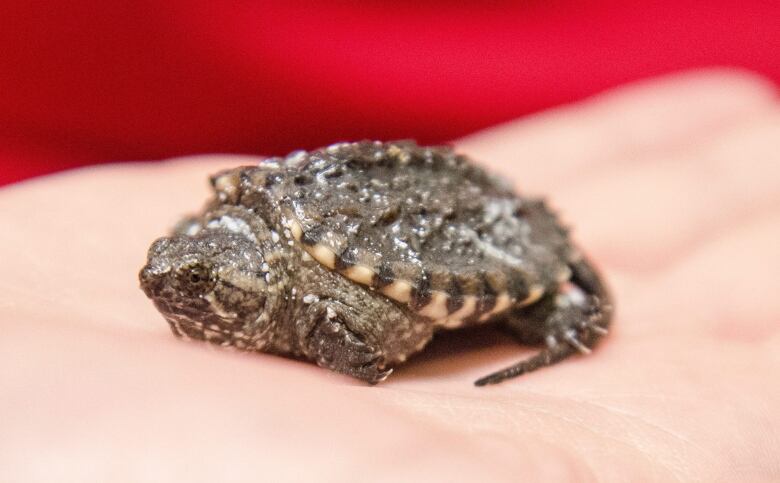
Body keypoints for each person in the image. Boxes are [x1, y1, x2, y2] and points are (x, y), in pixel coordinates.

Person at [1, 69, 778, 481]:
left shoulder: (315, 295)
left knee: (500, 305)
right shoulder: (220, 227)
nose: (161, 280)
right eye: (179, 270)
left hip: (456, 215)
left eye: (201, 282)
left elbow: (379, 329)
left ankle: (553, 315)